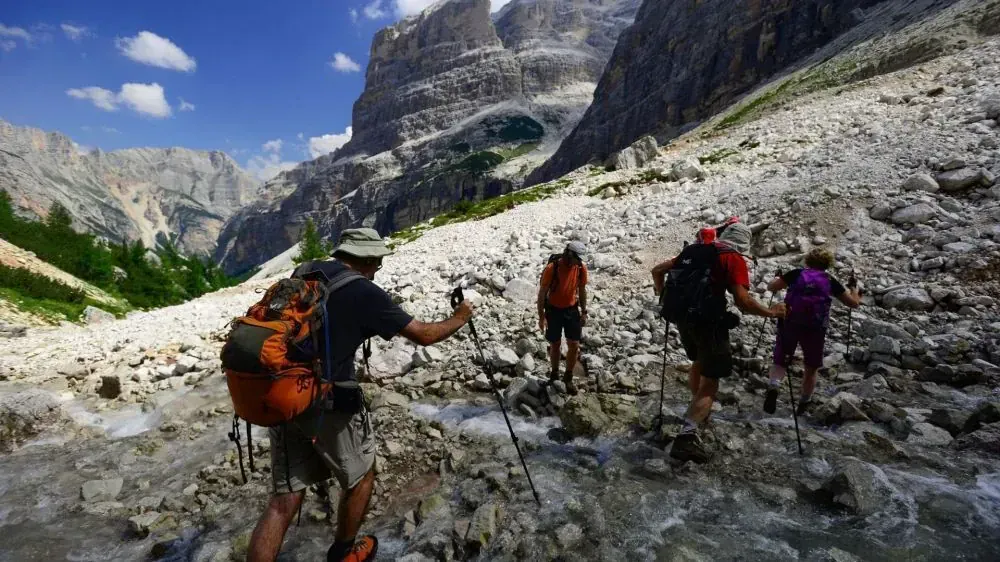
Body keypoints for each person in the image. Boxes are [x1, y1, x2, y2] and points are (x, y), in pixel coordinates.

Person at [247, 228, 474, 562]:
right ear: (366, 259)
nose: (377, 270)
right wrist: (460, 318)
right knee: (360, 477)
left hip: (281, 393)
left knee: (284, 499)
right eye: (377, 263)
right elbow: (424, 335)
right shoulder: (364, 291)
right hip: (327, 399)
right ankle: (343, 553)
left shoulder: (305, 272)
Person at [651, 222, 786, 463]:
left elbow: (657, 270)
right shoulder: (732, 258)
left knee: (698, 361)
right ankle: (687, 435)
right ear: (744, 243)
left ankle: (697, 412)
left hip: (682, 319)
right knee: (712, 379)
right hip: (708, 323)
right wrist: (771, 312)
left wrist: (662, 296)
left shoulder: (692, 250)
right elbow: (743, 301)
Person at [763, 248, 862, 416]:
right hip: (815, 328)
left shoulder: (796, 273)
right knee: (811, 367)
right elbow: (853, 303)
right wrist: (854, 289)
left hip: (790, 322)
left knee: (780, 360)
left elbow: (771, 287)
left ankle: (774, 385)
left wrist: (777, 278)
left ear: (808, 260)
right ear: (828, 264)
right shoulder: (830, 280)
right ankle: (803, 404)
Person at [537, 241, 589, 395]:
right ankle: (554, 374)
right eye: (577, 259)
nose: (579, 262)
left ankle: (568, 377)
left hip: (571, 309)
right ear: (569, 254)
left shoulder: (580, 268)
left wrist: (584, 311)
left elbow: (582, 289)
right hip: (553, 310)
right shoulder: (552, 268)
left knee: (574, 344)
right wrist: (541, 317)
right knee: (555, 344)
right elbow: (542, 293)